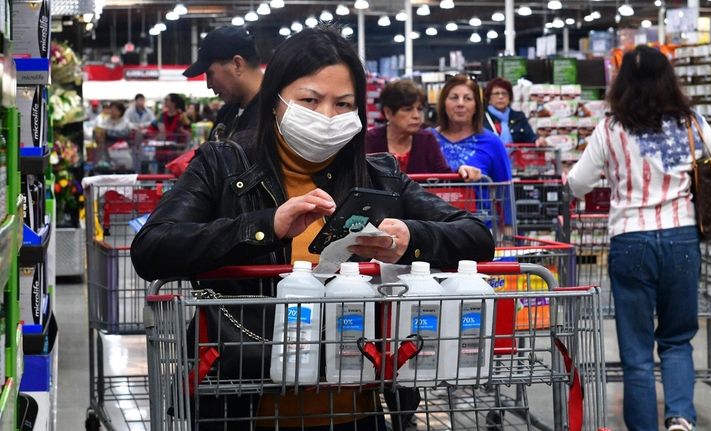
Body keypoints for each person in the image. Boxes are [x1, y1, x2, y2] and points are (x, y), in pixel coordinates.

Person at [131, 28, 494, 430]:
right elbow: (153, 247)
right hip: (241, 406)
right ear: (275, 102)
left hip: (356, 412)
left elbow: (477, 235)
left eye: (343, 104)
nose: (326, 117)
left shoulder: (381, 176)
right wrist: (264, 226)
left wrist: (412, 240)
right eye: (309, 100)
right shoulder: (223, 165)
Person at [567, 46, 711, 431]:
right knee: (677, 338)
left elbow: (577, 182)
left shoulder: (610, 127)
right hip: (681, 238)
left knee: (637, 350)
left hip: (631, 240)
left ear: (622, 81)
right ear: (668, 79)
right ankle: (680, 417)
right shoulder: (690, 122)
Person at [431, 75, 514, 239]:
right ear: (443, 104)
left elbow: (505, 190)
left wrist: (509, 234)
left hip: (478, 232)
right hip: (433, 229)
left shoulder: (492, 142)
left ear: (477, 105)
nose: (460, 103)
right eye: (454, 97)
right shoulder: (427, 139)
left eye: (468, 98)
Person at [366, 79, 481, 181]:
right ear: (388, 113)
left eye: (419, 109)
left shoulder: (427, 140)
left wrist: (461, 172)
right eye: (408, 109)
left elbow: (444, 178)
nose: (416, 115)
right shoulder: (369, 140)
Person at [183, 25, 263, 140]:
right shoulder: (226, 113)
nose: (208, 85)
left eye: (210, 74)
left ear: (237, 65)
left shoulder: (276, 116)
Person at [483, 77, 537, 153]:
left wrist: (538, 141)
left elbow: (531, 139)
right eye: (496, 94)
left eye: (504, 93)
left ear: (510, 97)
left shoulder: (519, 117)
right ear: (489, 98)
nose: (500, 97)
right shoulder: (481, 118)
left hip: (515, 163)